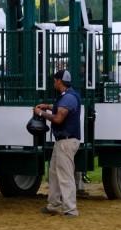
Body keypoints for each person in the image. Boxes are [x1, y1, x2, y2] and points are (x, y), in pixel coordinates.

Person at [33, 70, 82, 218]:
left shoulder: (68, 98)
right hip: (63, 141)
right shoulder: (68, 96)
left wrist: (40, 113)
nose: (54, 83)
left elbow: (59, 119)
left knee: (65, 176)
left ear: (59, 81)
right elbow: (58, 109)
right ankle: (54, 204)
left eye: (55, 80)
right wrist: (47, 106)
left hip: (66, 141)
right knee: (54, 173)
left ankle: (71, 209)